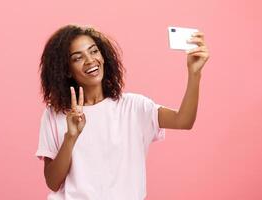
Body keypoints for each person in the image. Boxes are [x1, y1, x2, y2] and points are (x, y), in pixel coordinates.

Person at [35, 24, 209, 199]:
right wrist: (70, 137)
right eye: (77, 58)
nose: (90, 60)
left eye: (94, 51)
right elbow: (52, 182)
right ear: (67, 71)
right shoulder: (55, 115)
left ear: (103, 56)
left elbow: (183, 121)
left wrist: (195, 74)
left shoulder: (134, 107)